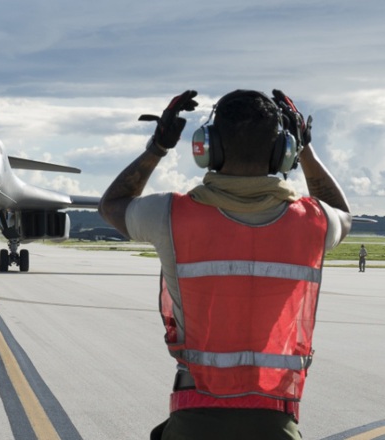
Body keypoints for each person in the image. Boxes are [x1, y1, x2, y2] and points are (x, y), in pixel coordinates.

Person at [99, 89, 352, 439]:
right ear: (283, 153)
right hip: (275, 420)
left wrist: (158, 146)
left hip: (193, 417)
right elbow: (343, 214)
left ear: (207, 147)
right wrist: (306, 149)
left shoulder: (169, 215)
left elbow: (112, 204)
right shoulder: (313, 223)